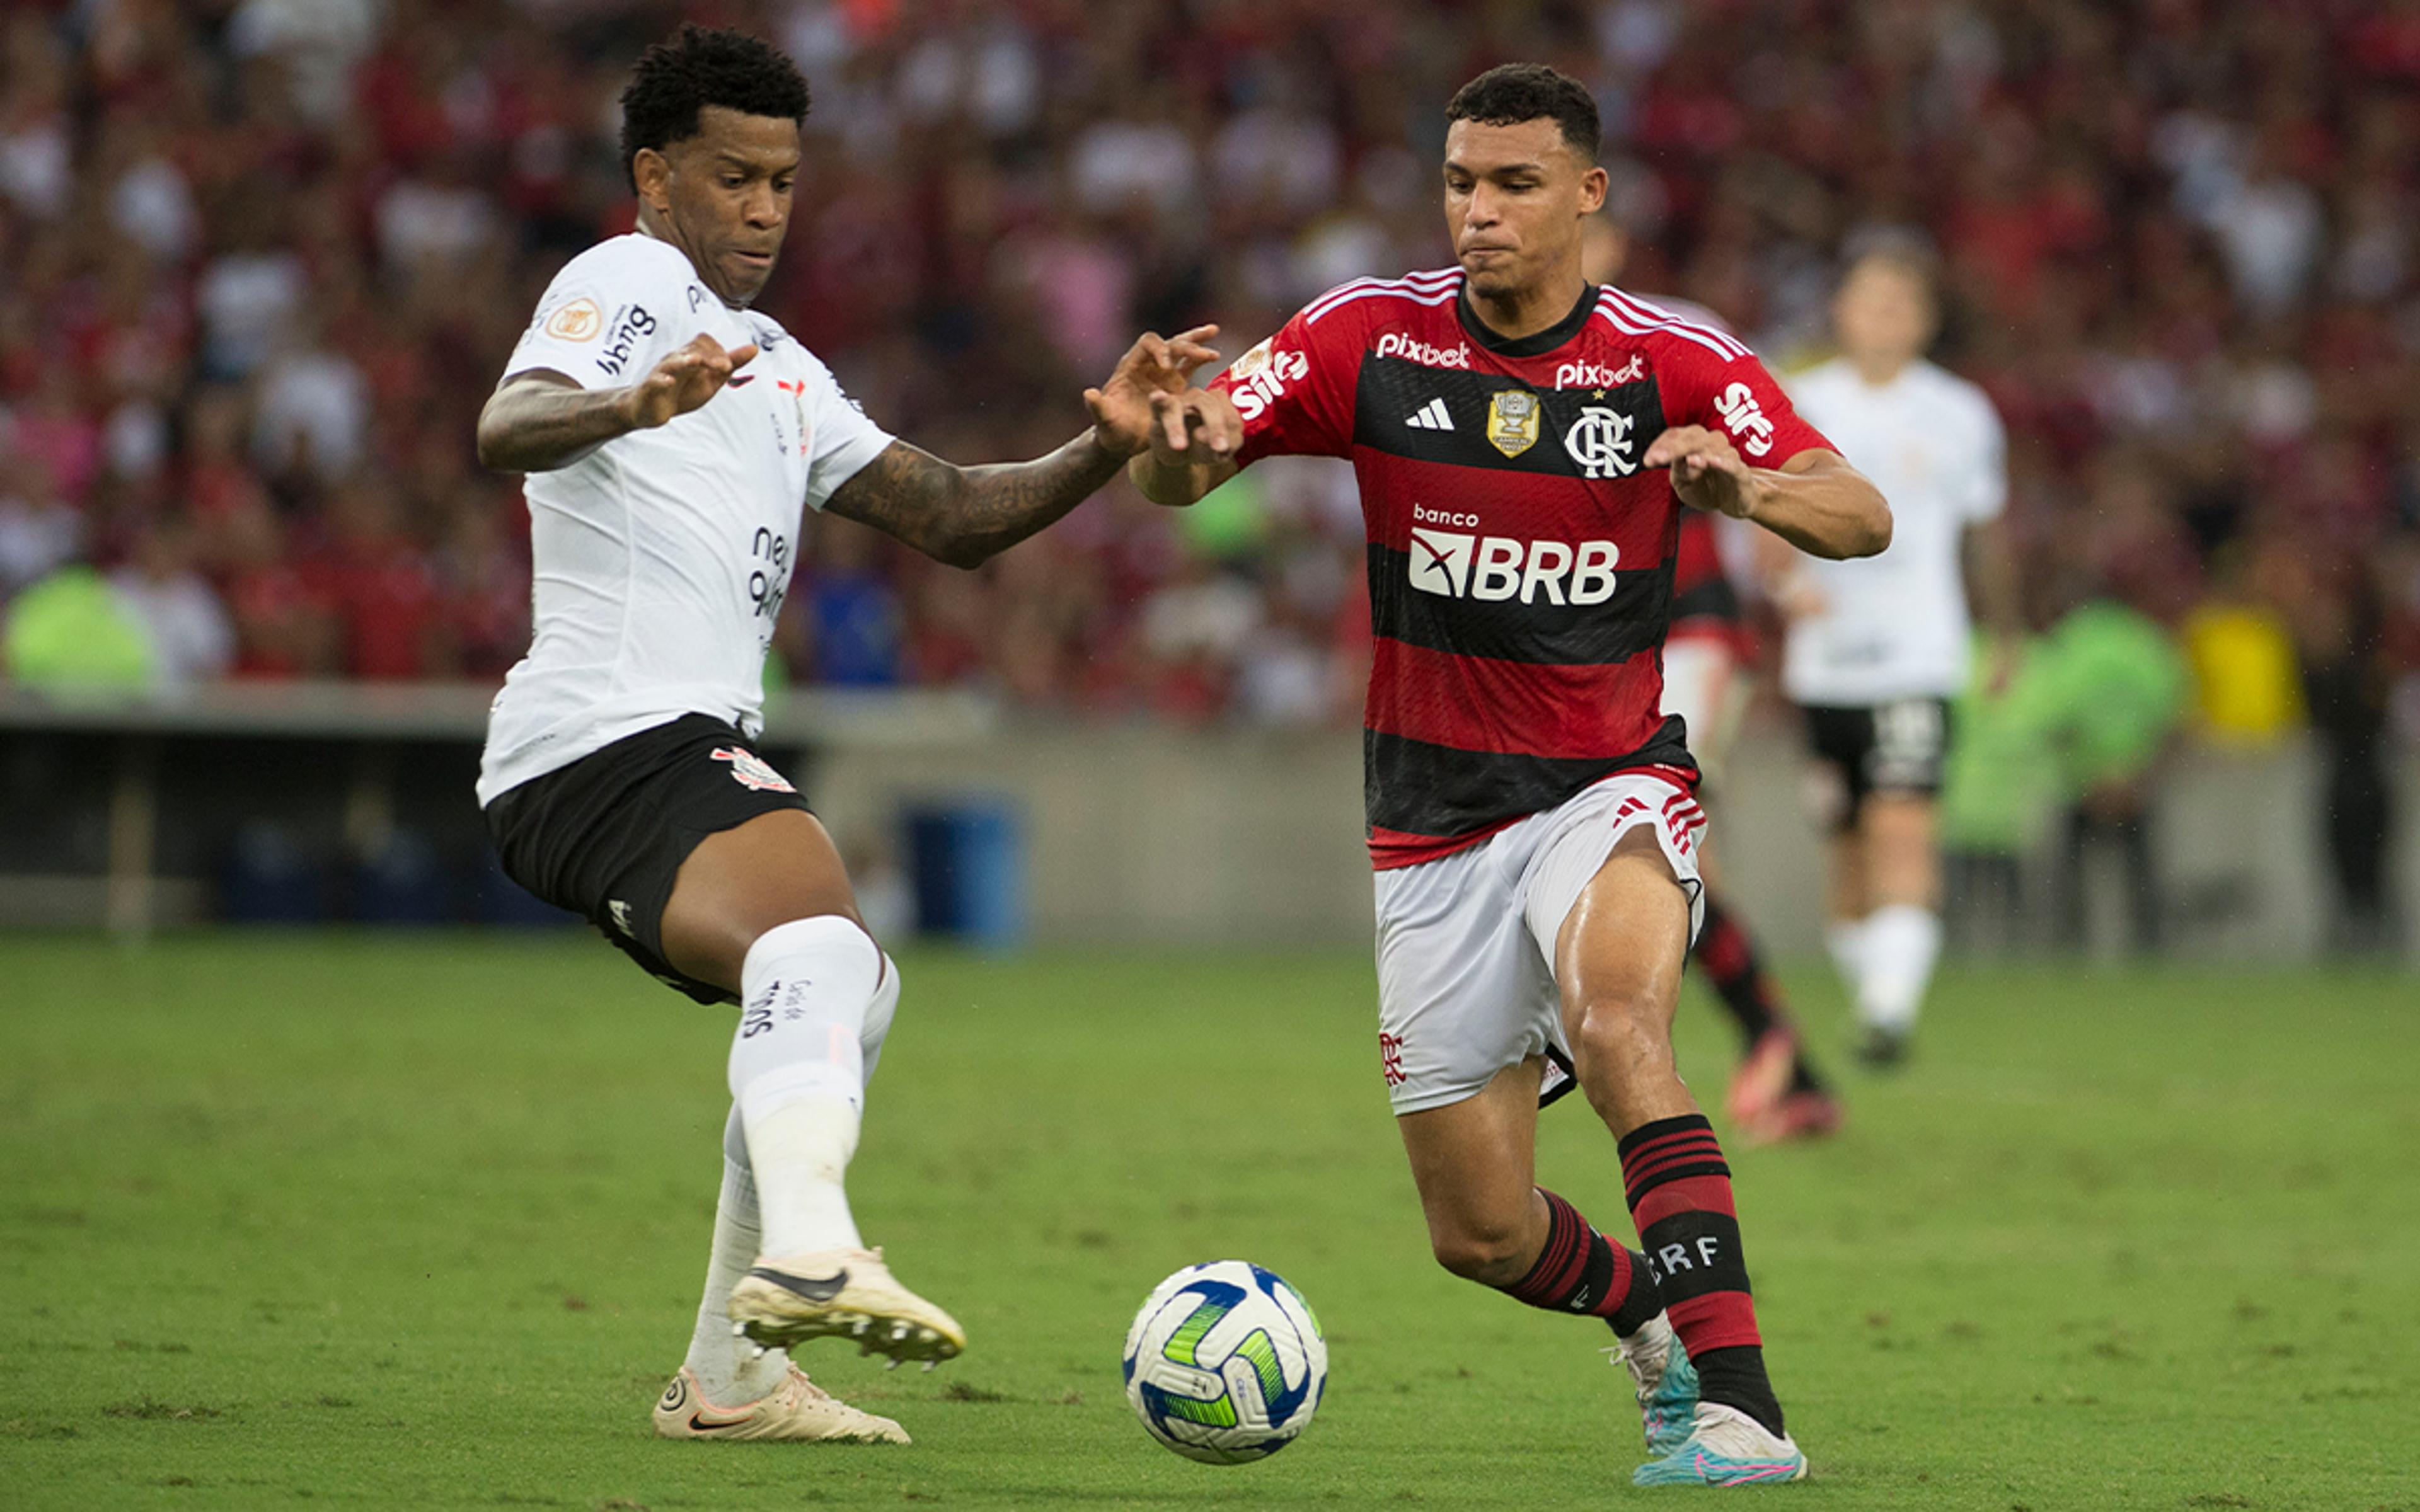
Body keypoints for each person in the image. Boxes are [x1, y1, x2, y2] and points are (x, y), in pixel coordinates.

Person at [1132, 64, 1889, 1487]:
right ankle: (1650, 1317)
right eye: (1462, 183)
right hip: (1427, 827)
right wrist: (1166, 445)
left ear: (1589, 194)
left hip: (1607, 781)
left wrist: (1749, 488)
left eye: (1516, 184)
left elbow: (1862, 511)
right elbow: (1194, 461)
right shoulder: (1367, 337)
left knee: (1621, 1032)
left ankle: (1744, 1411)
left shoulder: (1674, 358)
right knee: (1477, 1231)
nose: (1479, 212)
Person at [472, 26, 1224, 1446]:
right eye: (733, 176)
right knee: (825, 950)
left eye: (784, 181)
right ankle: (811, 1250)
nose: (763, 208)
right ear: (655, 175)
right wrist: (630, 401)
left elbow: (947, 515)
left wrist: (1107, 444)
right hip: (605, 735)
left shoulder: (773, 362)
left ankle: (733, 1377)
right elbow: (508, 421)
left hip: (649, 746)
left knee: (843, 987)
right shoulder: (626, 281)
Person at [1579, 217, 1842, 1144]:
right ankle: (1782, 1058)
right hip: (1598, 637)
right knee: (1663, 854)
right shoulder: (1493, 352)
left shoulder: (1676, 336)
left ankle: (1774, 1056)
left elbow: (1766, 460)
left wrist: (1784, 573)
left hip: (1691, 625)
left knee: (1656, 837)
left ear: (1608, 238)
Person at [1772, 242, 2018, 1065]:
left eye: (1901, 303)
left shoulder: (1960, 411)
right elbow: (1761, 510)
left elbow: (1986, 533)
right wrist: (1782, 590)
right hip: (1825, 660)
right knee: (1846, 852)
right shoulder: (1800, 400)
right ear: (1840, 311)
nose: (1884, 317)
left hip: (1919, 654)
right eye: (1870, 300)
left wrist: (2007, 632)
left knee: (1902, 825)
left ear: (1927, 320)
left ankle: (1889, 1013)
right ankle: (1876, 996)